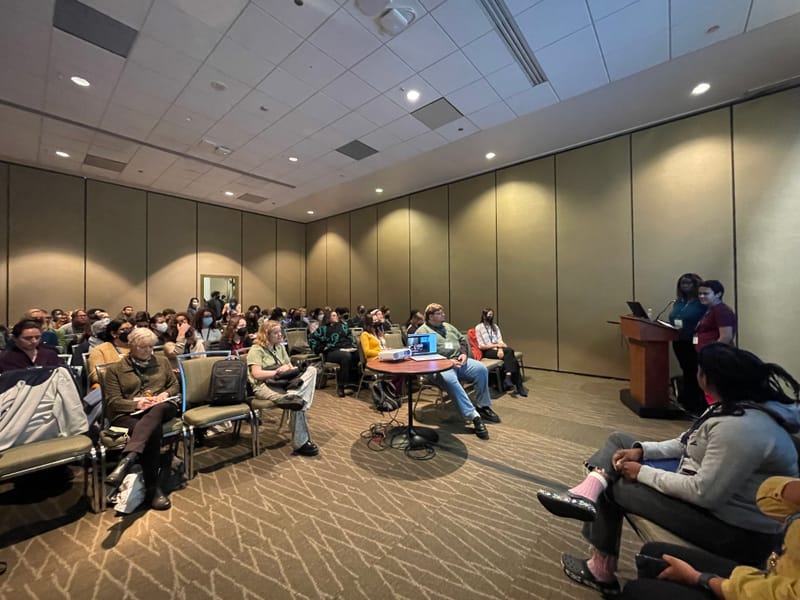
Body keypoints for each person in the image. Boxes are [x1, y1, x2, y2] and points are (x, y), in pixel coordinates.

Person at [535, 343, 800, 596]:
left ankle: (600, 567)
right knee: (620, 442)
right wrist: (641, 451)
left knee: (615, 484)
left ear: (706, 378)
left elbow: (704, 493)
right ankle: (590, 488)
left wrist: (642, 473)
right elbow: (686, 442)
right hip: (710, 496)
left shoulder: (742, 429)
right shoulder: (732, 407)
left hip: (734, 532)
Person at [621, 475, 800, 600]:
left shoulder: (745, 436)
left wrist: (700, 578)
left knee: (637, 590)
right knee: (654, 553)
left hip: (743, 538)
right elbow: (767, 499)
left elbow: (704, 494)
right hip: (768, 574)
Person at [103, 328, 180, 511]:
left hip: (162, 407)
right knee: (151, 430)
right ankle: (153, 489)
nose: (148, 351)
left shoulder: (162, 362)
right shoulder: (115, 370)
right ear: (132, 346)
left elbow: (174, 385)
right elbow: (113, 402)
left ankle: (129, 457)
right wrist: (136, 404)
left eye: (151, 347)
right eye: (143, 347)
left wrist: (164, 394)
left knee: (158, 409)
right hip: (129, 414)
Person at [415, 303, 500, 440]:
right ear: (430, 316)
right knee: (450, 380)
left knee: (481, 369)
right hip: (439, 367)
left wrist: (464, 354)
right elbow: (424, 357)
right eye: (439, 313)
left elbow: (462, 341)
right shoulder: (422, 332)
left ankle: (483, 406)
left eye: (443, 312)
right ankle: (473, 416)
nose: (443, 315)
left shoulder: (448, 326)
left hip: (459, 361)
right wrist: (447, 362)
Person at [247, 320, 319, 457]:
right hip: (263, 385)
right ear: (266, 334)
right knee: (297, 402)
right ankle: (301, 443)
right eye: (276, 333)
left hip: (283, 382)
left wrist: (290, 368)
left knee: (312, 370)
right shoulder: (256, 350)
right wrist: (277, 372)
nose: (280, 335)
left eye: (280, 332)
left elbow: (289, 366)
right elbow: (256, 374)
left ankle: (293, 394)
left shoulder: (279, 347)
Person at [668, 273, 707, 415]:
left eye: (688, 283)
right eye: (682, 283)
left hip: (694, 341)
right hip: (679, 341)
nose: (684, 286)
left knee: (695, 371)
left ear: (696, 285)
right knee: (686, 370)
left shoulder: (701, 303)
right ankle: (688, 402)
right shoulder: (678, 302)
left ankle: (698, 404)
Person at [475, 308, 527, 397]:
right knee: (510, 352)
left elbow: (500, 340)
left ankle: (509, 378)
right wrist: (497, 346)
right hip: (487, 351)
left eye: (492, 315)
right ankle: (518, 385)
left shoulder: (495, 327)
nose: (491, 317)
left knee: (512, 357)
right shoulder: (479, 327)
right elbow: (481, 346)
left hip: (498, 349)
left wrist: (500, 348)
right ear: (484, 316)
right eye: (489, 315)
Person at [308, 309, 359, 397]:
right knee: (346, 357)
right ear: (329, 317)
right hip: (331, 352)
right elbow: (312, 339)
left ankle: (353, 383)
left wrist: (348, 346)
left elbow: (349, 337)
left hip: (345, 348)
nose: (336, 317)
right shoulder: (323, 329)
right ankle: (341, 386)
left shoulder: (343, 326)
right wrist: (322, 348)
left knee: (358, 354)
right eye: (334, 315)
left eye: (336, 315)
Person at [360, 308, 404, 392]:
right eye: (374, 321)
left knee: (401, 367)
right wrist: (381, 352)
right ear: (369, 323)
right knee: (397, 370)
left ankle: (393, 390)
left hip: (382, 357)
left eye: (377, 321)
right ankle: (391, 391)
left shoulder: (377, 333)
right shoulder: (365, 335)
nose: (377, 323)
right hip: (373, 360)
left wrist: (386, 350)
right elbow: (367, 352)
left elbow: (381, 346)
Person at [86, 318, 132, 388]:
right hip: (113, 387)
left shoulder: (137, 347)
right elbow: (96, 376)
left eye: (130, 329)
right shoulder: (100, 350)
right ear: (113, 334)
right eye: (123, 329)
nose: (128, 332)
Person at [695, 279, 736, 350]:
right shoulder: (710, 309)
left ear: (718, 294)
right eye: (700, 294)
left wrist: (714, 352)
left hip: (715, 353)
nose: (701, 296)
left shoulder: (722, 310)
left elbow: (726, 337)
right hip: (704, 351)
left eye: (705, 294)